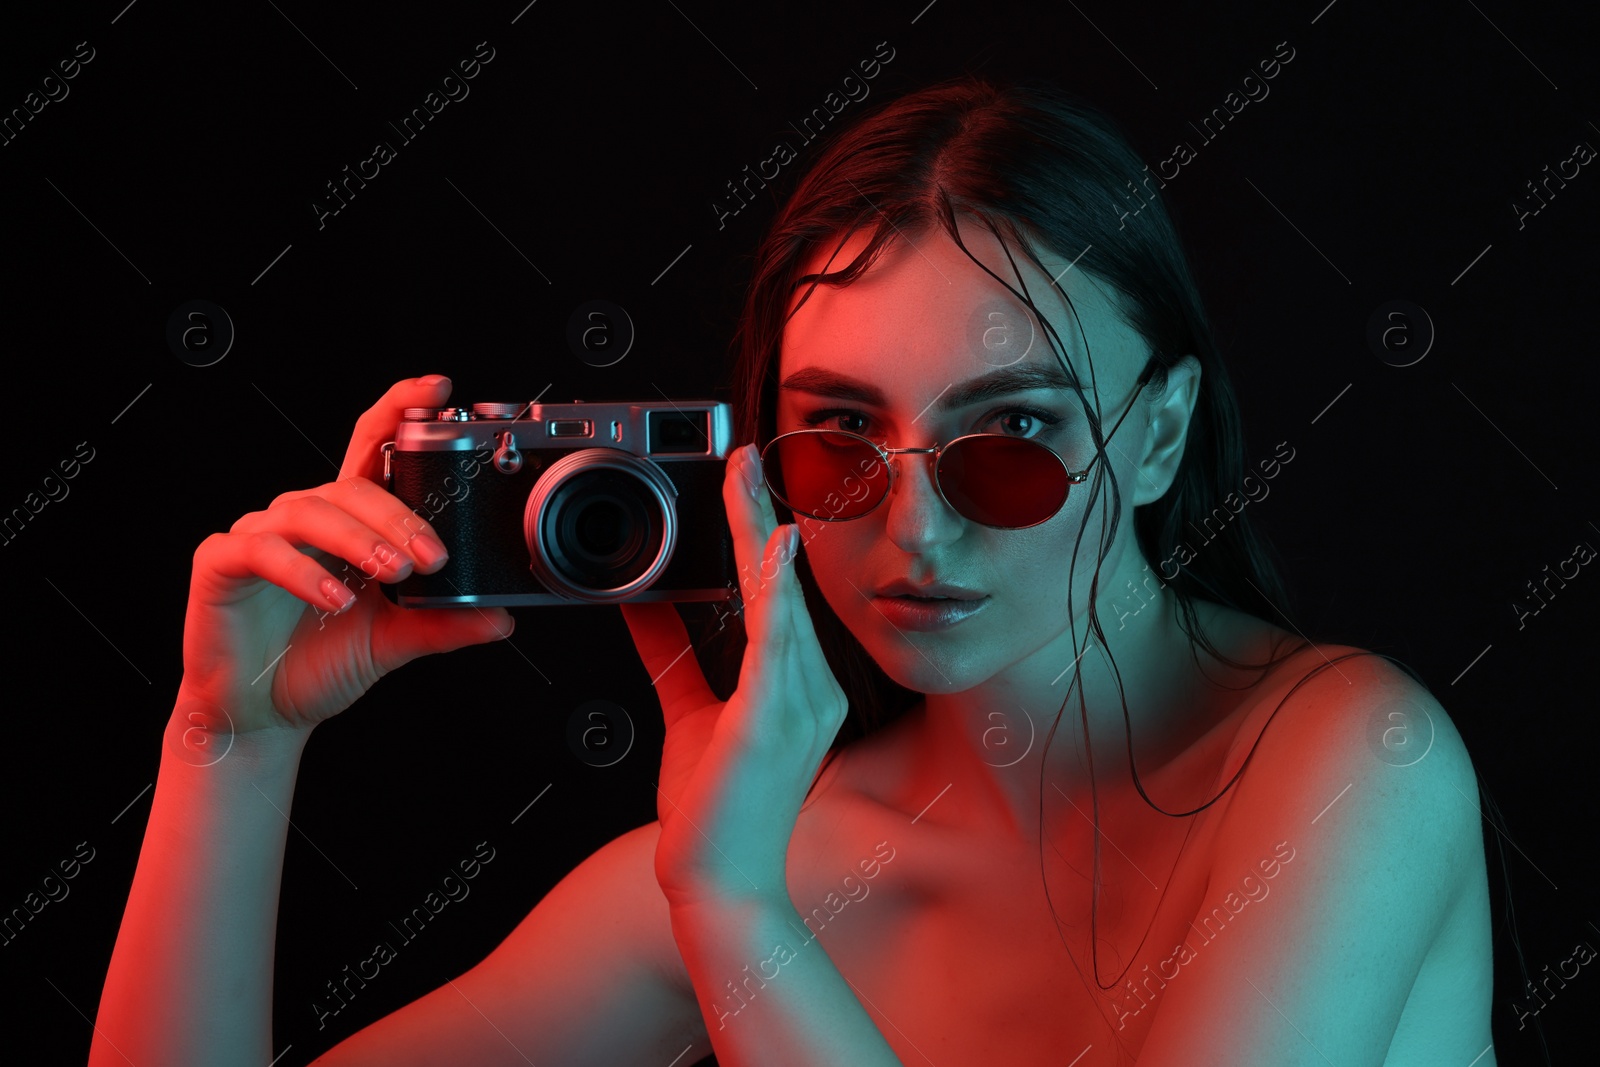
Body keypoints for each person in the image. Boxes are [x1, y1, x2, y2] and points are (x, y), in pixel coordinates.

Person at [91, 77, 1496, 1066]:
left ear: (1159, 433)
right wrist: (231, 740)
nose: (916, 534)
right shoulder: (762, 847)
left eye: (1011, 436)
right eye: (837, 440)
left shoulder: (1349, 765)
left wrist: (739, 918)